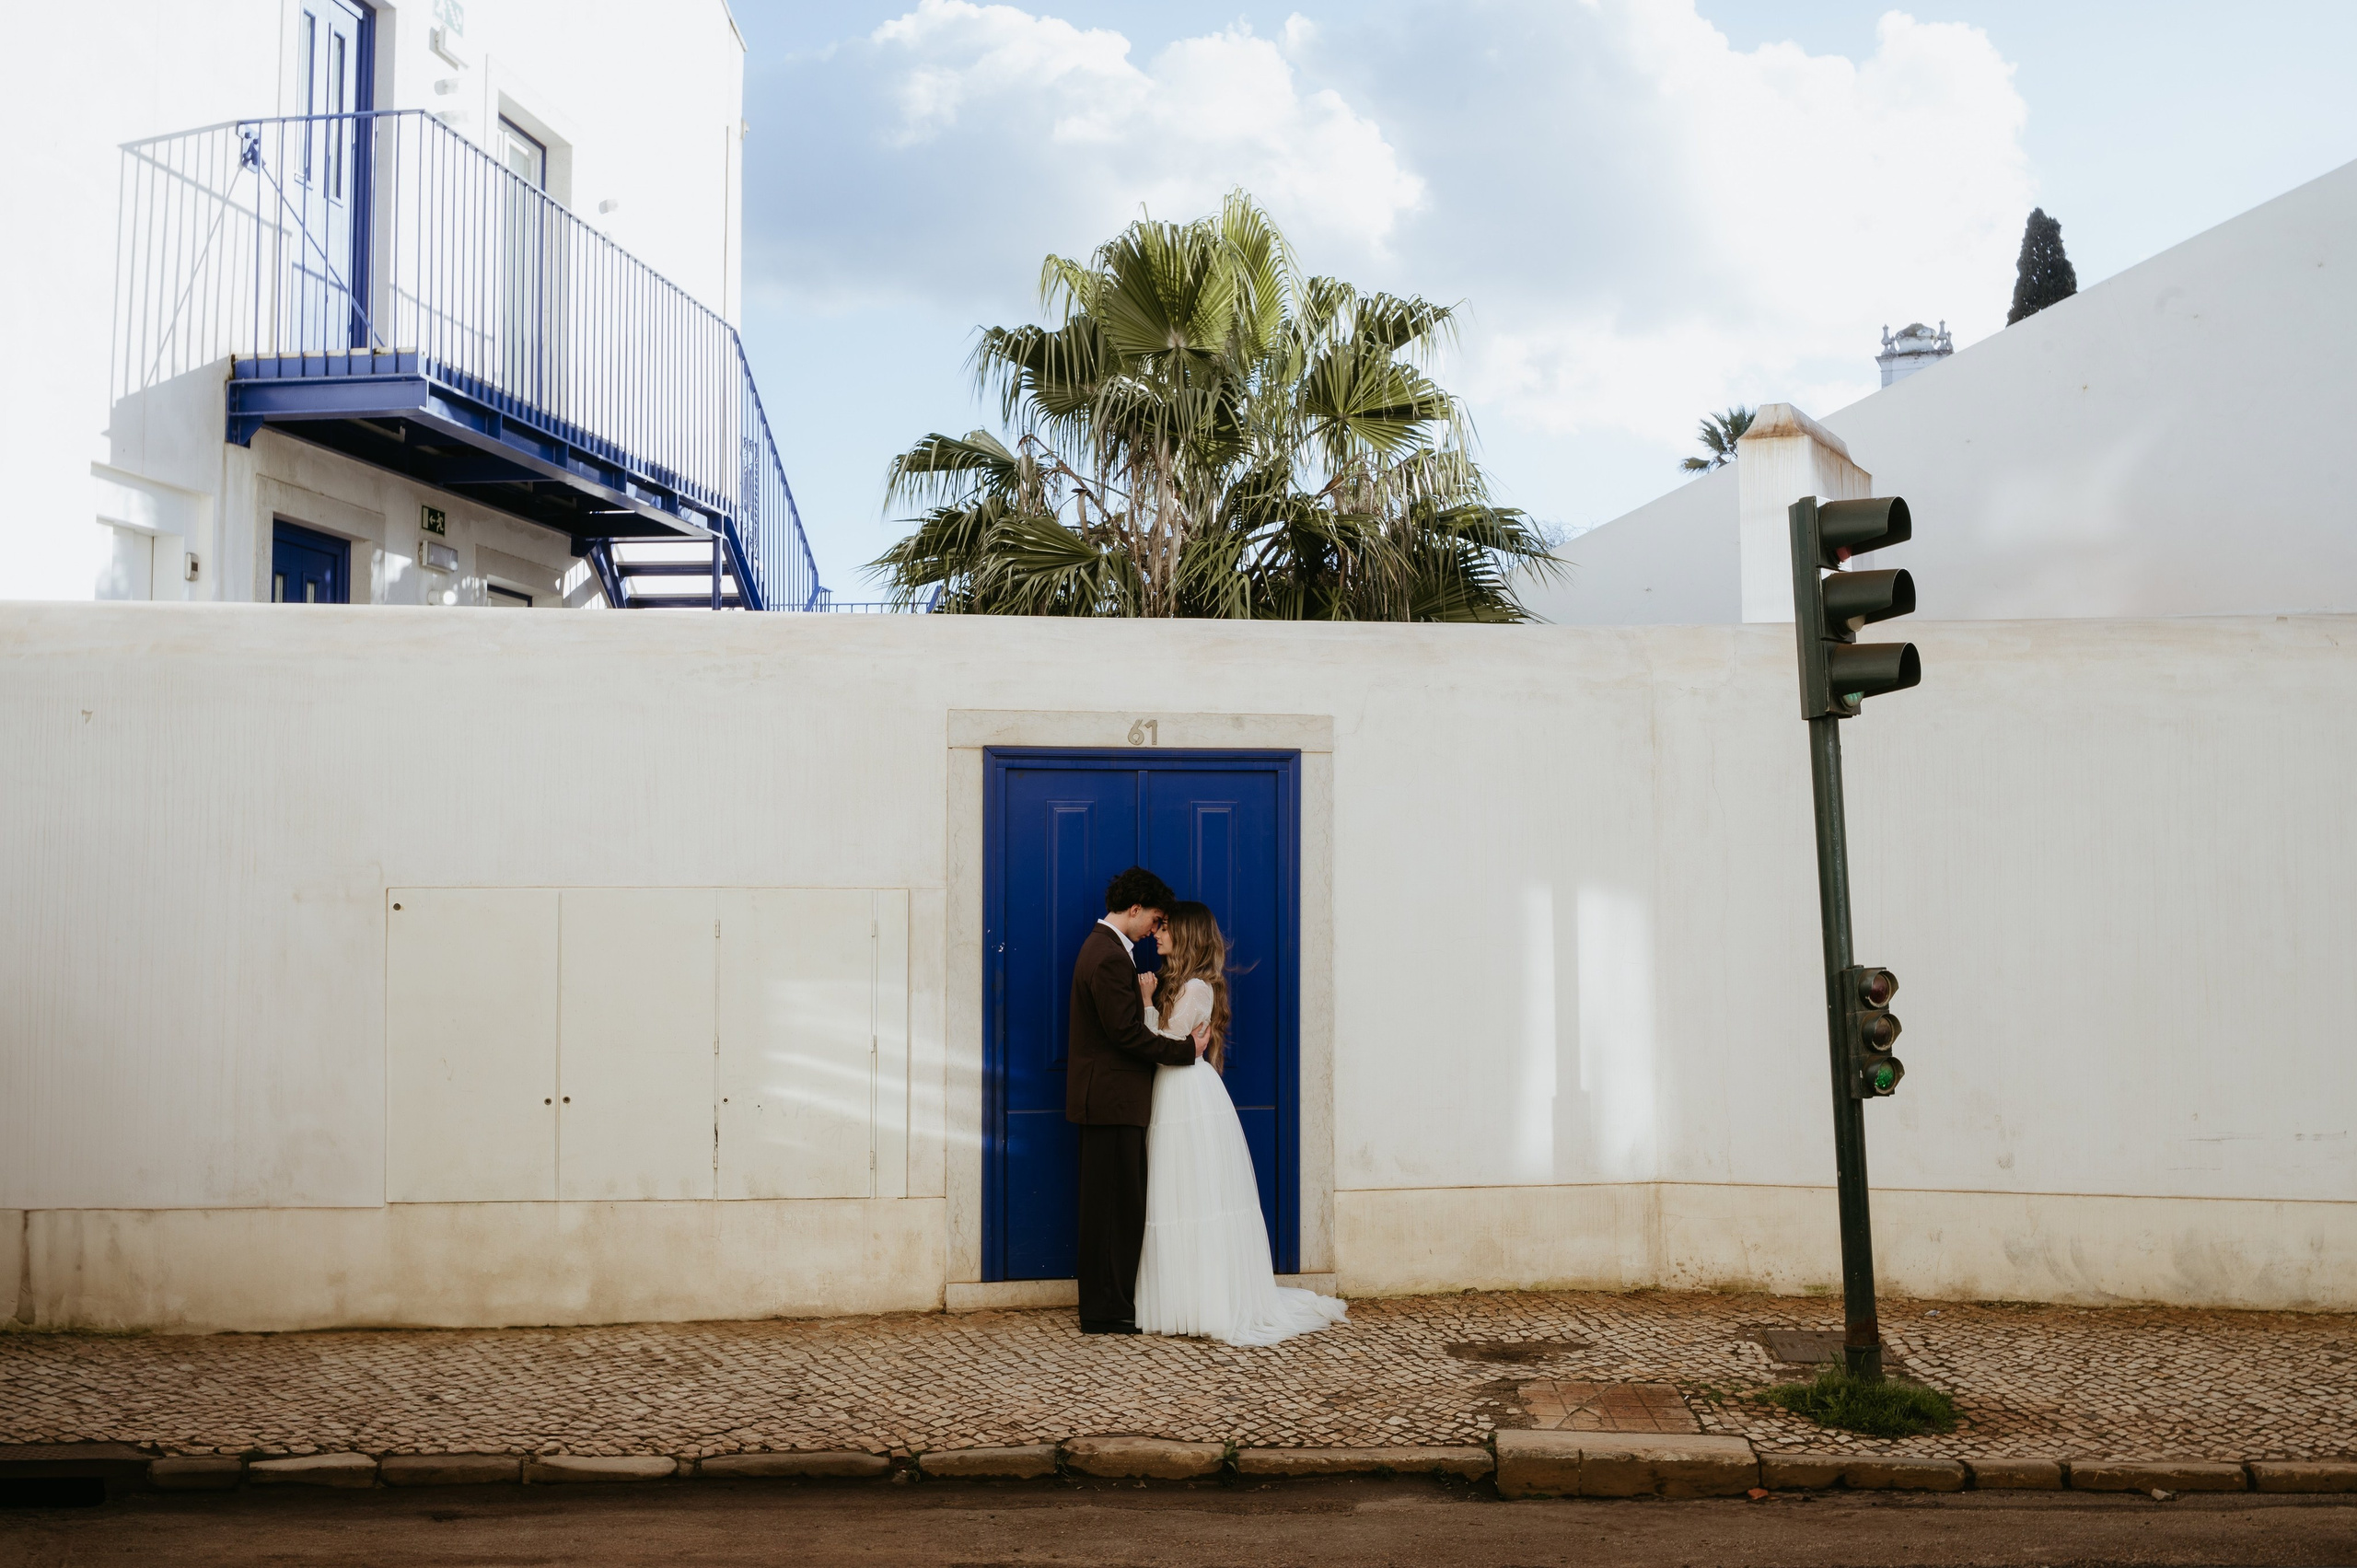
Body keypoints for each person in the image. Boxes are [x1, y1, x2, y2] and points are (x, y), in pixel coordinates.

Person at [1133, 900, 1349, 1347]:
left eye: (1166, 928)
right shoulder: (1184, 985)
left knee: (1195, 1193)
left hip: (1188, 1094)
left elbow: (1163, 1045)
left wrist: (1146, 1004)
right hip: (1174, 1093)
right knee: (1179, 1191)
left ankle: (1206, 1301)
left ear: (1187, 935)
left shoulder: (1195, 989)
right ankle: (1186, 1298)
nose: (1157, 934)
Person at [1065, 866, 1203, 1335]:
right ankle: (1106, 1311)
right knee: (1109, 1210)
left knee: (1116, 1206)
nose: (1153, 931)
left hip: (1112, 1100)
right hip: (1110, 1101)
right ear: (1135, 908)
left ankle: (1112, 1304)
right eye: (1154, 919)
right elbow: (1125, 1033)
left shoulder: (1108, 950)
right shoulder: (1106, 955)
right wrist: (1185, 1051)